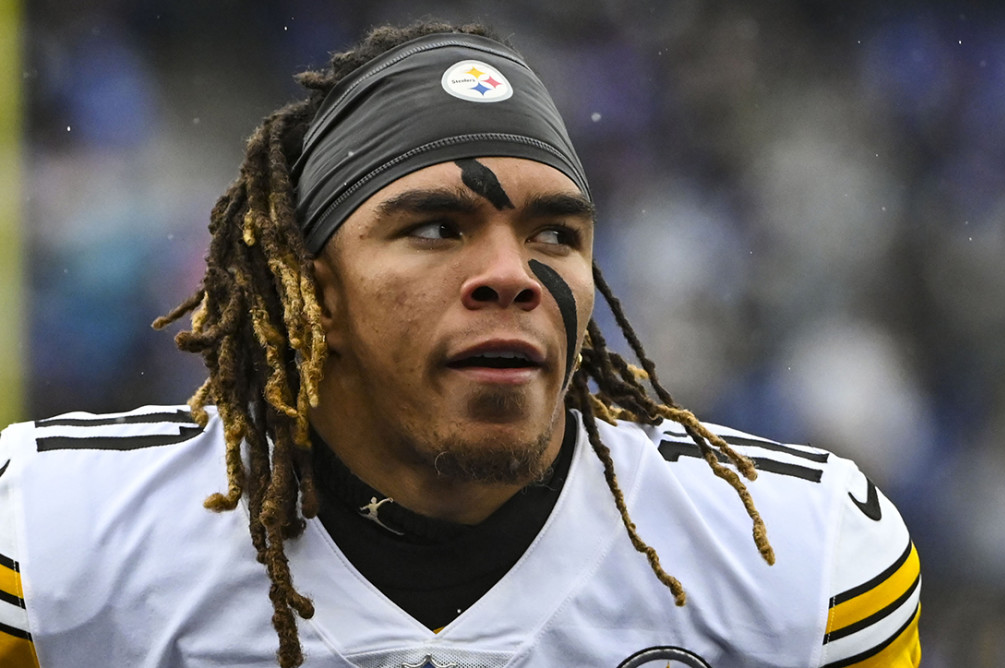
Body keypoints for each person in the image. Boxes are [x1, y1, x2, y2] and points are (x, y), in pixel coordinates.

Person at [0, 20, 921, 668]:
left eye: (555, 233)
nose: (512, 274)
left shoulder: (793, 563)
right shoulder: (56, 544)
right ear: (312, 285)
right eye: (438, 229)